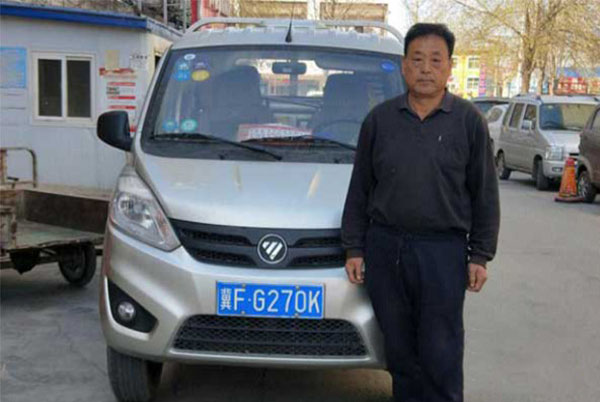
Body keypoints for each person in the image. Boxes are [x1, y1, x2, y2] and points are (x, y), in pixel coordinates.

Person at [341, 23, 500, 402]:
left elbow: (484, 193)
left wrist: (480, 254)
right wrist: (354, 247)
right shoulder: (380, 120)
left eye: (435, 60)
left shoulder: (468, 122)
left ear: (449, 67)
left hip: (442, 253)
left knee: (441, 351)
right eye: (417, 59)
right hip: (386, 248)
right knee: (399, 350)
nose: (425, 69)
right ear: (403, 66)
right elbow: (360, 188)